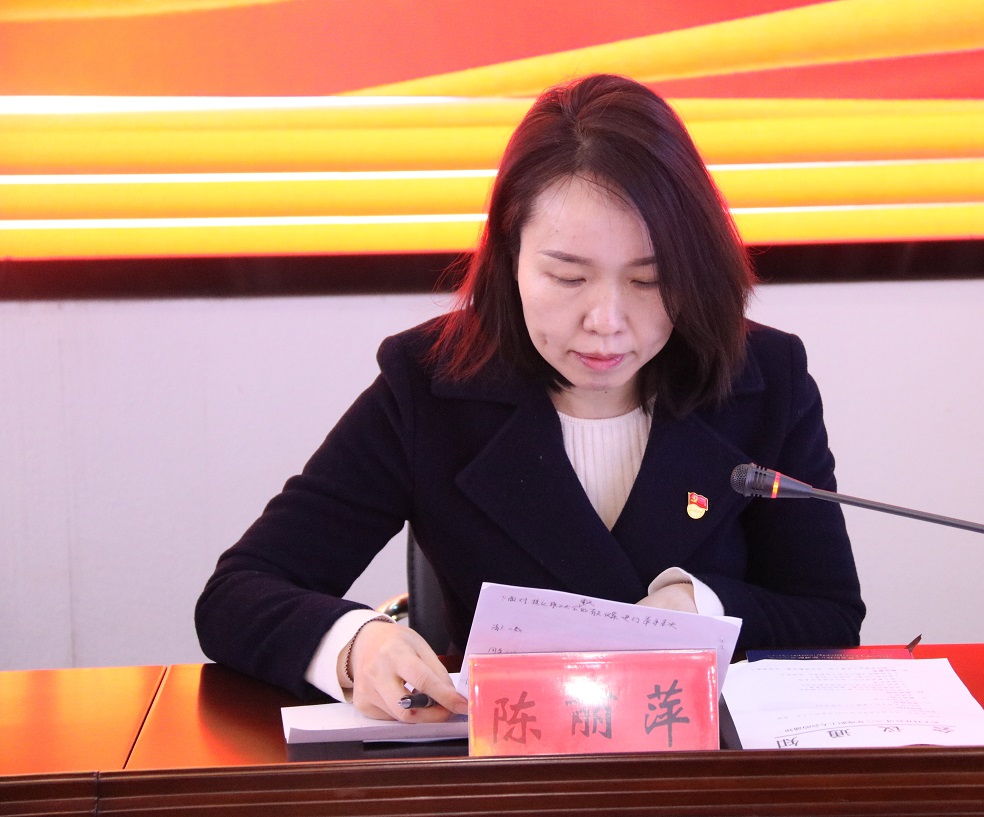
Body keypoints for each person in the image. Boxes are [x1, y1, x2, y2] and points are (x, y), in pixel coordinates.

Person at [195, 73, 864, 723]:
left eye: (649, 280)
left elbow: (829, 615)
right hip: (516, 768)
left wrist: (703, 612)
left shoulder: (765, 379)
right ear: (509, 255)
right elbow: (237, 594)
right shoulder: (430, 384)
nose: (606, 321)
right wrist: (352, 645)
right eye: (568, 277)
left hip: (702, 768)